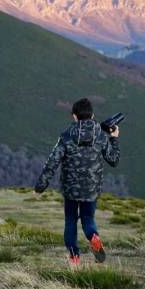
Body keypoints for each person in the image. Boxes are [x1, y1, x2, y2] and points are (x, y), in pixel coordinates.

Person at [34, 97, 121, 265]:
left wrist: (40, 187)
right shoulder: (102, 136)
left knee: (71, 221)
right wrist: (114, 138)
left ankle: (74, 257)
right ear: (92, 115)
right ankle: (93, 237)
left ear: (74, 116)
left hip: (70, 189)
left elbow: (52, 162)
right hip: (91, 189)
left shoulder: (66, 136)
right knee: (88, 219)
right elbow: (114, 160)